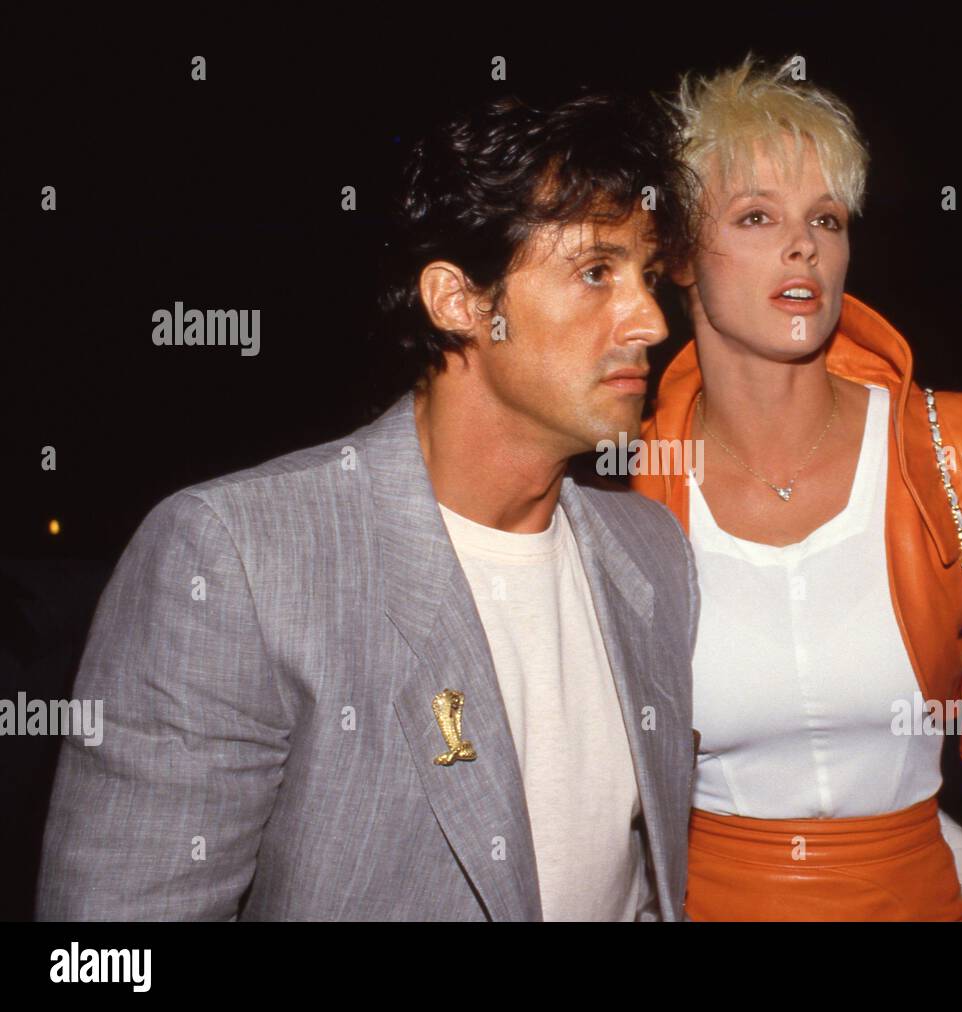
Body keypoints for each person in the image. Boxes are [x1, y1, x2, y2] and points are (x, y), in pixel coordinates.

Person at [36, 91, 700, 921]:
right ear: (458, 301)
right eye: (597, 272)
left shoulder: (653, 555)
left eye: (645, 276)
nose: (649, 319)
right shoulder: (237, 559)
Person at [631, 55, 962, 921]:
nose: (802, 244)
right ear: (682, 258)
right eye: (757, 215)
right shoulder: (624, 503)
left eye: (827, 218)